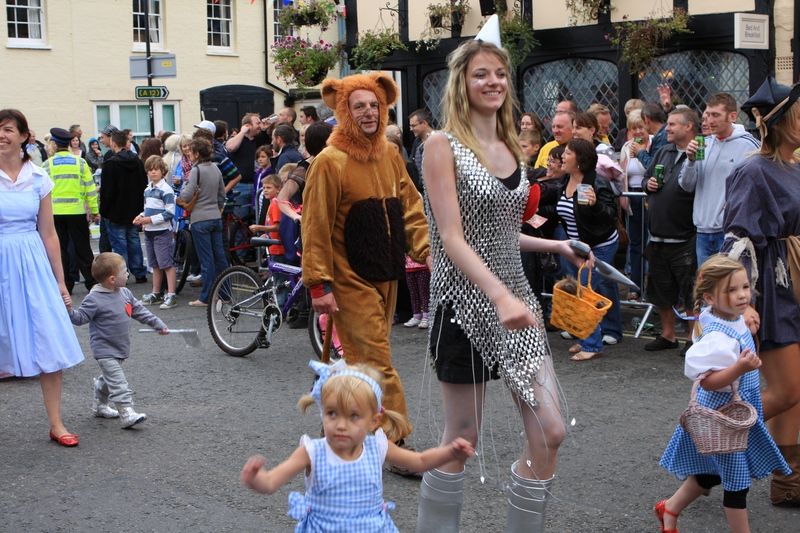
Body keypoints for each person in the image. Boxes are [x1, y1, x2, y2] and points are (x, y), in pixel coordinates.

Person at [418, 31, 588, 531]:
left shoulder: (511, 146)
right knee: (461, 438)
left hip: (515, 303)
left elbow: (498, 235)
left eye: (499, 73)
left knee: (551, 430)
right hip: (466, 304)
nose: (492, 82)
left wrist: (556, 246)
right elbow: (450, 236)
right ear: (462, 83)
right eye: (480, 74)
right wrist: (498, 295)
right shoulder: (440, 144)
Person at [302, 73, 430, 454]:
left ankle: (344, 425)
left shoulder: (390, 154)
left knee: (362, 361)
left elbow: (411, 207)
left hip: (386, 273)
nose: (369, 112)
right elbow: (316, 226)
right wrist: (319, 285)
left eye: (374, 105)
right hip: (348, 277)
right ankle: (396, 441)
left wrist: (428, 251)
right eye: (359, 106)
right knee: (378, 360)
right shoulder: (329, 161)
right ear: (344, 111)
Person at [240, 359, 474, 531]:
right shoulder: (312, 452)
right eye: (332, 414)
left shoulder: (378, 447)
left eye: (353, 417)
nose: (341, 425)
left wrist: (449, 452)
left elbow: (420, 461)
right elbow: (271, 482)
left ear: (374, 420)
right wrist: (256, 479)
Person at [656, 255, 790, 532]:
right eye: (731, 290)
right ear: (710, 298)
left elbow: (735, 328)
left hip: (735, 412)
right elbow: (709, 382)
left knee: (709, 474)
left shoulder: (726, 317)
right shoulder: (718, 337)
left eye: (744, 287)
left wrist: (746, 326)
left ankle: (669, 508)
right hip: (722, 417)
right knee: (736, 485)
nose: (742, 295)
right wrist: (740, 367)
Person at [723, 77, 800, 506]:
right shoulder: (753, 170)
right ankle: (709, 441)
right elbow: (737, 242)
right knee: (787, 390)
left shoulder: (795, 166)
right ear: (781, 122)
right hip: (774, 289)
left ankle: (787, 481)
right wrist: (743, 302)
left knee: (797, 389)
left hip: (795, 281)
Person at [0, 109, 85, 447]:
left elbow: (49, 234)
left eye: (7, 129)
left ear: (24, 136)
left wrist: (61, 282)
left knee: (47, 337)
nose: (1, 135)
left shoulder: (39, 177)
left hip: (32, 261)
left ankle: (56, 423)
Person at [67, 252, 168, 428]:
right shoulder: (94, 299)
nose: (128, 274)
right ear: (112, 279)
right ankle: (126, 412)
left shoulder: (125, 293)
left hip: (120, 347)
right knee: (118, 382)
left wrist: (158, 324)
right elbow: (80, 318)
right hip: (104, 350)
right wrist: (67, 309)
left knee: (108, 380)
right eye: (125, 271)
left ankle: (100, 405)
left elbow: (140, 311)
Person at [551, 138, 622, 358]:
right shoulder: (565, 181)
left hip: (600, 246)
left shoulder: (598, 183)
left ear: (580, 160)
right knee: (590, 289)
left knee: (583, 292)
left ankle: (591, 345)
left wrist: (596, 205)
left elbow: (611, 216)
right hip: (577, 246)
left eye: (568, 153)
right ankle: (594, 336)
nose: (563, 155)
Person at [643, 108, 700, 354]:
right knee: (660, 289)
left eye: (673, 124)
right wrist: (649, 184)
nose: (667, 128)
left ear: (688, 127)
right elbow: (646, 180)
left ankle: (692, 337)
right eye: (668, 124)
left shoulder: (699, 152)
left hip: (685, 234)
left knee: (689, 290)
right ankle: (668, 334)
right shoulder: (663, 151)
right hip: (657, 234)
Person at [680, 93, 759, 266]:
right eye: (707, 114)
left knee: (729, 287)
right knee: (708, 289)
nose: (709, 120)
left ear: (732, 116)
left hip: (730, 232)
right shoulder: (704, 144)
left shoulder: (748, 145)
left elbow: (758, 187)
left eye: (715, 115)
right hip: (702, 231)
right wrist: (690, 161)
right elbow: (686, 186)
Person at [42, 127, 99, 295]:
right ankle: (92, 283)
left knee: (60, 250)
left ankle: (65, 285)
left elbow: (41, 192)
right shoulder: (80, 163)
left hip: (55, 214)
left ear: (53, 144)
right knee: (83, 249)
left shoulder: (47, 165)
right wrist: (95, 211)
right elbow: (91, 189)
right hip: (77, 212)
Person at [179, 137, 227, 307]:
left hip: (200, 219)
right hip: (215, 217)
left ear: (197, 153)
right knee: (220, 257)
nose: (189, 155)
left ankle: (206, 297)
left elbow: (187, 194)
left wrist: (179, 197)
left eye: (190, 152)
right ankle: (225, 292)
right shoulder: (215, 168)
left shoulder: (196, 170)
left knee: (206, 261)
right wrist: (217, 207)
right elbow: (222, 194)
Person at [100, 129, 149, 283]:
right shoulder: (137, 161)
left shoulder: (110, 164)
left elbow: (107, 192)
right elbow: (143, 185)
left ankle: (122, 274)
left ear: (113, 143)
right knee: (134, 240)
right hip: (134, 209)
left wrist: (104, 211)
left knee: (119, 244)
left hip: (115, 210)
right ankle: (139, 272)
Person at [134, 155, 177, 309]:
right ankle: (156, 293)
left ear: (163, 171)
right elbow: (148, 209)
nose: (153, 173)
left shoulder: (166, 190)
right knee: (155, 264)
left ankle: (171, 294)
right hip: (150, 231)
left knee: (166, 263)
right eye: (150, 170)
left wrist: (149, 220)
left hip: (162, 231)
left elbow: (169, 213)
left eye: (156, 170)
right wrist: (141, 216)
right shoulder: (148, 189)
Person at [619, 109, 651, 296]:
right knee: (636, 243)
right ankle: (636, 287)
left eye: (640, 127)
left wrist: (641, 153)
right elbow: (623, 174)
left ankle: (651, 288)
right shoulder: (626, 147)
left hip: (650, 196)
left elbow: (654, 167)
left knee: (651, 242)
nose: (638, 132)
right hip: (633, 197)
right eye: (633, 128)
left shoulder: (654, 144)